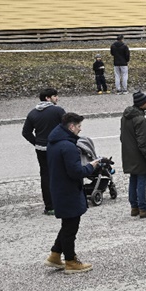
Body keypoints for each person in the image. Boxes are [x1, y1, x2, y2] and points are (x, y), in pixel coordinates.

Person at [45, 113, 102, 273]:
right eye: (78, 126)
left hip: (59, 188)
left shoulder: (54, 142)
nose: (80, 129)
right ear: (71, 127)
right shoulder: (69, 146)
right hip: (68, 191)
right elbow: (76, 172)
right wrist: (92, 166)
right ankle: (70, 261)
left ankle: (55, 255)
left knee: (67, 225)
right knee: (71, 228)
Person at [22, 88, 65, 215]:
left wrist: (36, 142)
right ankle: (61, 202)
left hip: (41, 149)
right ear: (48, 98)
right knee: (59, 174)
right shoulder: (58, 111)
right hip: (56, 148)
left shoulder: (32, 113)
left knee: (45, 176)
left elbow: (25, 132)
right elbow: (68, 127)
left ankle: (49, 206)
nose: (57, 98)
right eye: (55, 96)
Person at [120, 91, 146, 218]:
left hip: (128, 154)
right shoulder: (141, 120)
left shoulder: (125, 117)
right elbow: (143, 143)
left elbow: (122, 136)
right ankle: (143, 208)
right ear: (143, 104)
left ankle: (134, 206)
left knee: (133, 179)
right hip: (139, 156)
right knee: (142, 180)